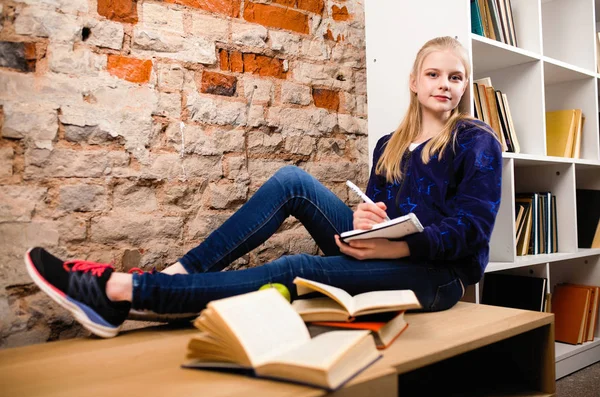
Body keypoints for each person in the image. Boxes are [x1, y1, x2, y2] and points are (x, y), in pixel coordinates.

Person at [24, 36, 502, 338]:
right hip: (381, 250)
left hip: (437, 277)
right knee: (293, 181)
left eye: (455, 77)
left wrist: (397, 250)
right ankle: (177, 274)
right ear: (415, 82)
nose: (445, 84)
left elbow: (471, 231)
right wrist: (364, 222)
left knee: (297, 267)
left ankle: (126, 291)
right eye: (434, 74)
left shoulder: (475, 140)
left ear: (462, 88)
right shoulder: (388, 145)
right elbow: (377, 209)